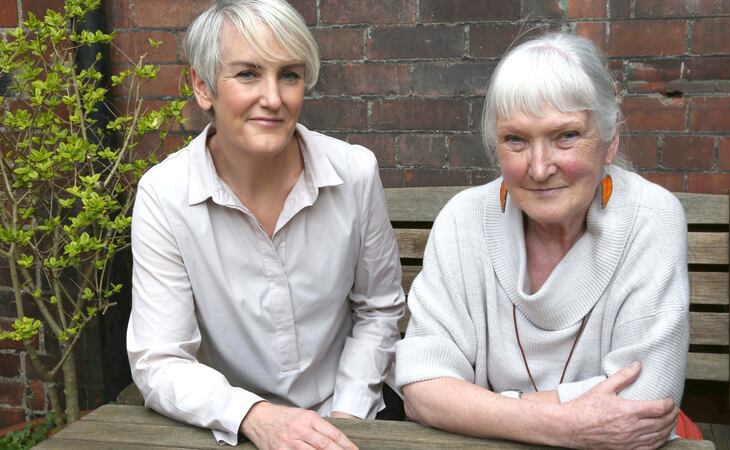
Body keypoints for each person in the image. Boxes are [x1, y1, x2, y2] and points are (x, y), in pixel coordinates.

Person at [126, 1, 404, 448]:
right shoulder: (165, 194)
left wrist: (346, 415)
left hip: (350, 413)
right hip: (231, 428)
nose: (273, 98)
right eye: (248, 73)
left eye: (289, 75)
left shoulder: (353, 173)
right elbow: (160, 359)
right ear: (202, 86)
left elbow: (378, 310)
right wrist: (252, 415)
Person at [395, 32, 691, 450]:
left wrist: (481, 409)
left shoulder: (650, 218)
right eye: (516, 140)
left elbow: (644, 405)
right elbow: (421, 389)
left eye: (565, 136)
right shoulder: (463, 220)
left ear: (610, 141)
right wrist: (562, 423)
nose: (538, 167)